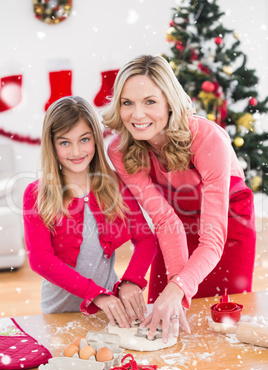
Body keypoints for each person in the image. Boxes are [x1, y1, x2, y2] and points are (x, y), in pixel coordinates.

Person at [103, 54, 256, 342]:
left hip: (228, 221)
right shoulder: (120, 150)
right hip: (173, 224)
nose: (137, 115)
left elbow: (212, 239)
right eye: (127, 103)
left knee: (223, 326)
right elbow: (164, 219)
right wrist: (176, 283)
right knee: (164, 315)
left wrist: (179, 287)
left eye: (150, 101)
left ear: (169, 102)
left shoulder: (207, 139)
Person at [23, 95, 156, 327]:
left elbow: (145, 238)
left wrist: (131, 281)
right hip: (60, 313)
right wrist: (94, 293)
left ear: (95, 138)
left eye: (84, 140)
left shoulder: (114, 185)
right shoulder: (37, 194)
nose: (76, 151)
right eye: (65, 142)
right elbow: (40, 260)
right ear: (51, 145)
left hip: (108, 311)